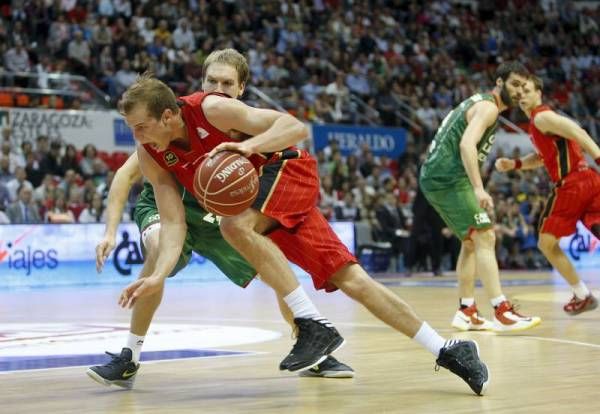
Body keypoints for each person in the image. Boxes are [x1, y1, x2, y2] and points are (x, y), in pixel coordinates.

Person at [116, 49, 489, 396]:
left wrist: (248, 147)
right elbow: (173, 223)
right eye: (133, 128)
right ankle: (449, 349)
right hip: (264, 204)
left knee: (233, 226)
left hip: (288, 171)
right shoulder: (150, 152)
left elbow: (294, 126)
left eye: (140, 126)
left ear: (167, 115)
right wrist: (158, 274)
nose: (136, 135)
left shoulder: (212, 109)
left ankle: (312, 325)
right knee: (353, 280)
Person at [87, 51, 354, 389]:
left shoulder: (239, 125)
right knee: (157, 255)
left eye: (227, 83)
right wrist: (110, 232)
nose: (219, 88)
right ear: (201, 84)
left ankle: (315, 347)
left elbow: (290, 128)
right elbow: (125, 178)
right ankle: (130, 355)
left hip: (214, 212)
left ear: (241, 89)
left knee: (271, 268)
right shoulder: (159, 129)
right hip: (166, 206)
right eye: (212, 81)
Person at [419, 61, 542, 332]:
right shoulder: (488, 107)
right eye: (514, 84)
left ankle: (466, 311)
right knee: (486, 235)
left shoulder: (483, 104)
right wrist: (478, 187)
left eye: (523, 86)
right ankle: (501, 310)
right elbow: (466, 144)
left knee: (472, 241)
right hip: (448, 178)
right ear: (499, 83)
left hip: (442, 176)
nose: (520, 91)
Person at [495, 75, 599, 315]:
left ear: (539, 92)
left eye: (527, 90)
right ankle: (583, 296)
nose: (522, 95)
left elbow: (579, 132)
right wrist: (515, 164)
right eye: (519, 92)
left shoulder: (542, 116)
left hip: (572, 184)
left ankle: (582, 295)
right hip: (590, 181)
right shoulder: (537, 124)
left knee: (546, 243)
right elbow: (542, 157)